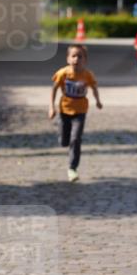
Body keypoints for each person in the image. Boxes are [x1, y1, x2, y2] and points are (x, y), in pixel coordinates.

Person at [49, 43, 102, 182]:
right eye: (73, 56)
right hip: (64, 110)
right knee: (64, 141)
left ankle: (72, 168)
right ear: (68, 58)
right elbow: (54, 89)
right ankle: (64, 140)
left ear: (85, 60)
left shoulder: (87, 75)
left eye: (80, 56)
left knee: (76, 138)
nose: (76, 59)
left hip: (80, 111)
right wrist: (51, 107)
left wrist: (97, 100)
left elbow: (94, 87)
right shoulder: (63, 73)